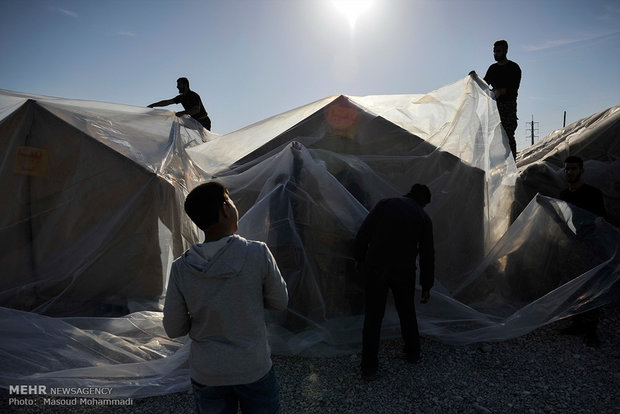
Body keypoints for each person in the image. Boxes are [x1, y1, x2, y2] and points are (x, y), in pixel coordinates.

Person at [163, 181, 289, 413]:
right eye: (230, 200)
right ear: (225, 209)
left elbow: (173, 328)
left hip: (207, 372)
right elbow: (280, 302)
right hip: (253, 366)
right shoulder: (257, 253)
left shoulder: (181, 268)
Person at [354, 184, 435, 381]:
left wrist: (359, 260)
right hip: (404, 272)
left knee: (373, 317)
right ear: (423, 202)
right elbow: (427, 255)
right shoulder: (423, 218)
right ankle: (413, 352)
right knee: (407, 312)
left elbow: (364, 233)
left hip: (376, 268)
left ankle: (369, 368)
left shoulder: (386, 204)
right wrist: (426, 286)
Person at [558, 156, 606, 347]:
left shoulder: (592, 194)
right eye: (567, 169)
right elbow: (561, 218)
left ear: (581, 171)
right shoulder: (563, 195)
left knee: (592, 287)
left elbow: (600, 218)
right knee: (574, 285)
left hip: (590, 246)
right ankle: (577, 322)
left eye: (573, 169)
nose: (570, 172)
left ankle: (591, 330)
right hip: (572, 246)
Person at [483, 40, 521, 160]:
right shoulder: (492, 69)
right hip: (494, 108)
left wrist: (500, 91)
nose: (495, 54)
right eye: (494, 51)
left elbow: (513, 88)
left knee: (508, 137)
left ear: (505, 51)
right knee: (492, 137)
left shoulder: (514, 68)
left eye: (498, 51)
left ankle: (512, 166)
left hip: (508, 107)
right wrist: (474, 79)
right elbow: (484, 84)